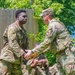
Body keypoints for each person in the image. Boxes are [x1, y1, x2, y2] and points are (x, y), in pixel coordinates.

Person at [25, 8, 75, 75]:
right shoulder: (54, 24)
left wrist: (32, 51)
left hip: (66, 55)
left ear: (47, 16)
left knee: (71, 72)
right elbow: (50, 45)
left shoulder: (53, 25)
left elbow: (46, 43)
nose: (42, 18)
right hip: (60, 55)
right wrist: (35, 54)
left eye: (43, 16)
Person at [0, 10, 29, 75]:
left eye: (26, 16)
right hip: (8, 59)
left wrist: (28, 52)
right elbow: (13, 43)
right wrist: (23, 53)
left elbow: (26, 44)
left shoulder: (23, 31)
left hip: (17, 61)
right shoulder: (12, 28)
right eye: (24, 16)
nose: (26, 18)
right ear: (17, 17)